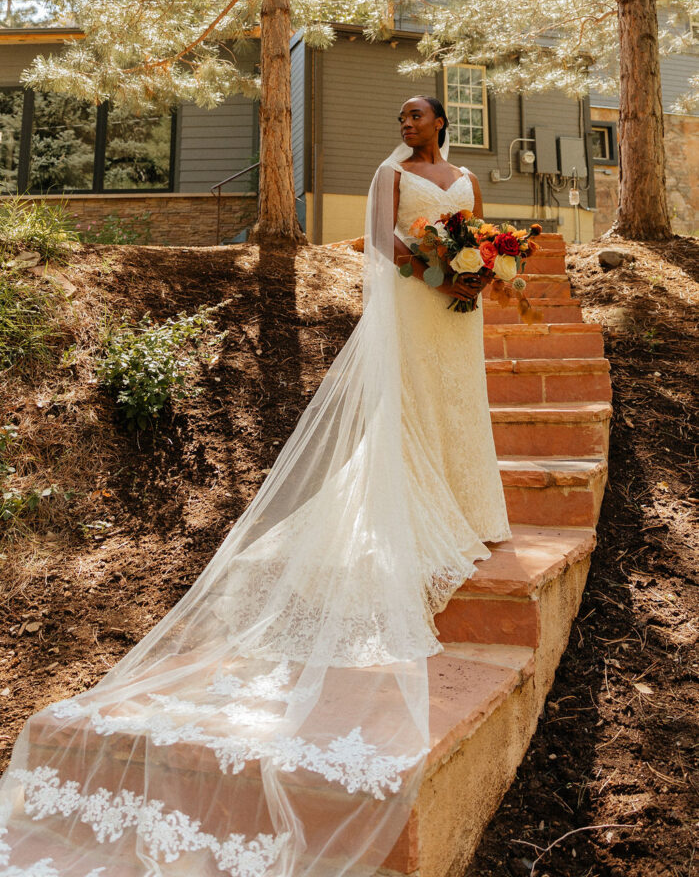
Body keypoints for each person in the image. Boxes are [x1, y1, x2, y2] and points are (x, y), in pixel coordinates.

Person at [0, 97, 511, 877]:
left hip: (457, 306)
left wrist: (476, 273)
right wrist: (434, 267)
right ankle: (410, 495)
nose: (404, 123)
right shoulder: (389, 174)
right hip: (414, 297)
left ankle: (468, 500)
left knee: (454, 395)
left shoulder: (465, 176)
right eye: (399, 115)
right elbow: (380, 241)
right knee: (409, 401)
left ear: (440, 123)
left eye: (415, 115)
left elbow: (477, 232)